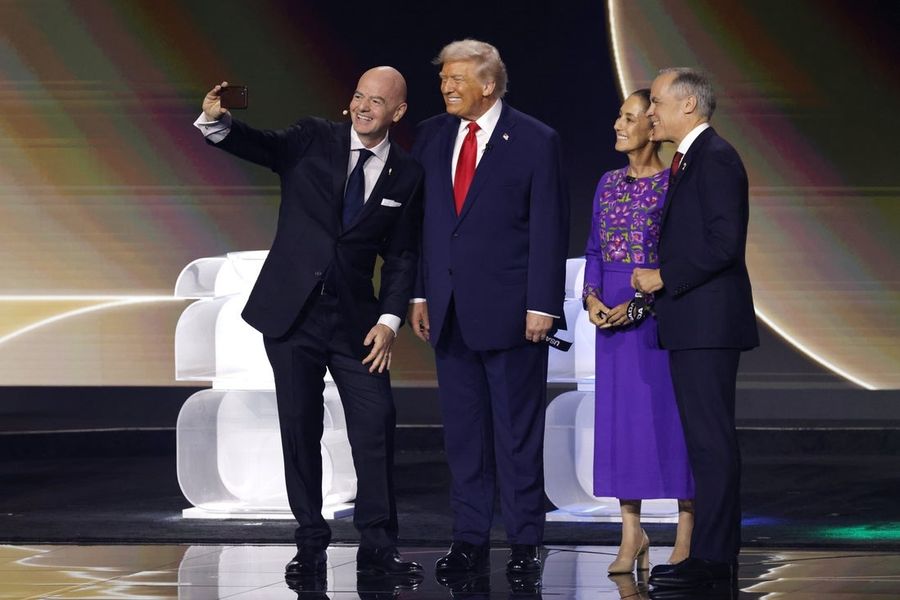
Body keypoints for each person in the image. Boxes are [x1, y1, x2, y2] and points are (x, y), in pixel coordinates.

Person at [193, 67, 424, 579]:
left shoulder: (407, 173)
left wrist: (389, 320)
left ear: (398, 112)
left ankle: (379, 548)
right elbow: (259, 145)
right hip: (293, 315)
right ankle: (311, 543)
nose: (364, 107)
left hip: (358, 324)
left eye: (377, 101)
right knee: (299, 430)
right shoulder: (312, 137)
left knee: (376, 425)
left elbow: (403, 255)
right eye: (359, 95)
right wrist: (219, 122)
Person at [407, 39, 569, 577]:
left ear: (489, 84)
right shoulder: (430, 136)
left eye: (456, 78)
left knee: (517, 433)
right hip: (449, 313)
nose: (446, 87)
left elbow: (549, 225)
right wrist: (420, 292)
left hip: (514, 314)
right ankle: (469, 540)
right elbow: (425, 225)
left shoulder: (534, 139)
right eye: (443, 79)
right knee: (464, 436)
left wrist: (543, 304)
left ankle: (525, 542)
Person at [632, 68, 758, 590]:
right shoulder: (692, 159)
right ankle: (708, 554)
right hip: (692, 321)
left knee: (711, 442)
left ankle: (713, 558)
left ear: (688, 105)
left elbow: (724, 243)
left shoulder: (717, 157)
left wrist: (665, 276)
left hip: (708, 322)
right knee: (704, 442)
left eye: (657, 101)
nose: (650, 111)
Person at [582, 89, 694, 575]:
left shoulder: (674, 185)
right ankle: (632, 532)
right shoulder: (607, 182)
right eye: (618, 116)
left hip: (659, 317)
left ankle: (687, 531)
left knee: (672, 421)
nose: (617, 124)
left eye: (629, 117)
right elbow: (592, 249)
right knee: (622, 426)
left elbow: (681, 257)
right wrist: (590, 298)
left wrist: (640, 304)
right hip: (610, 316)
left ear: (653, 126)